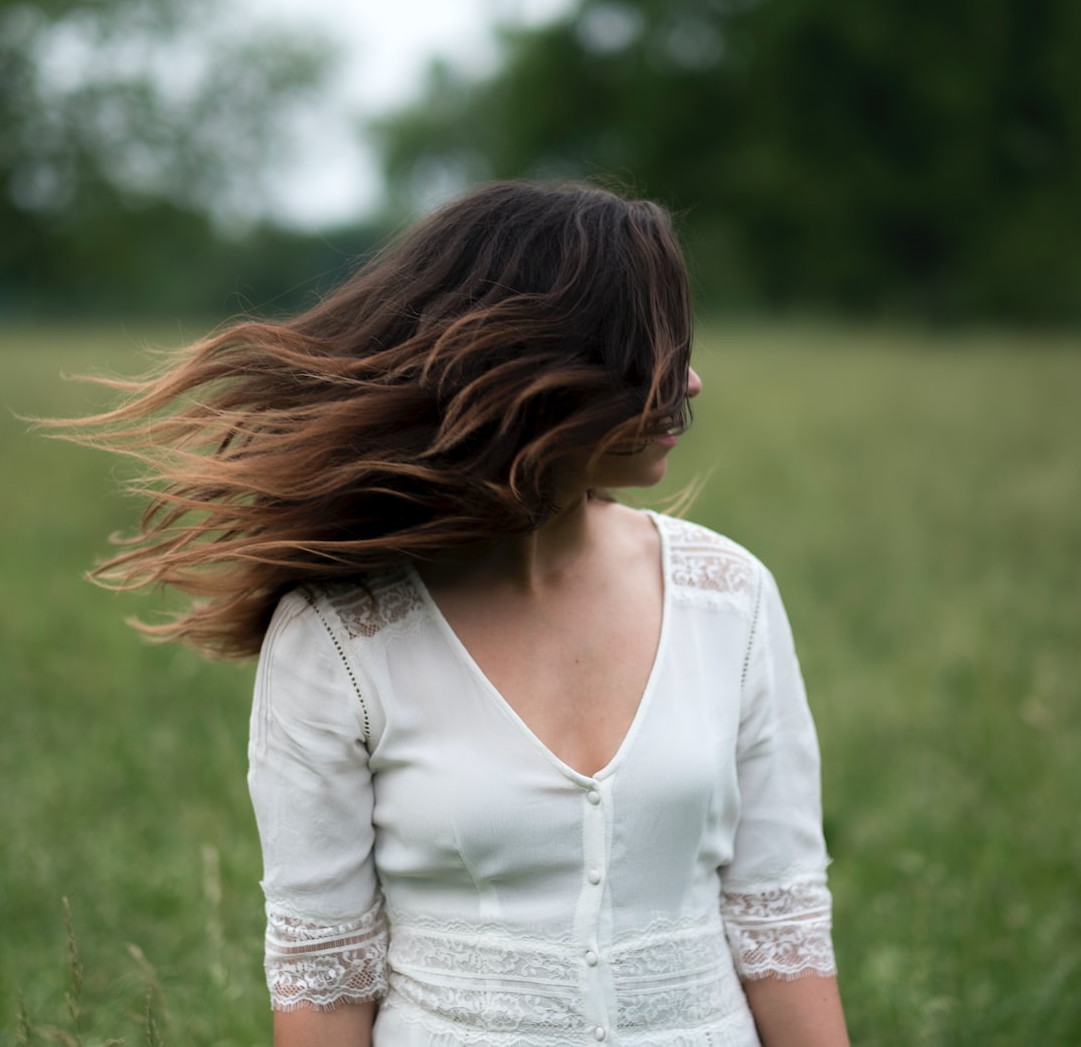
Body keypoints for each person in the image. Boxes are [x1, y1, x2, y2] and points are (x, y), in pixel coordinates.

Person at [59, 181, 850, 1045]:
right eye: (650, 344)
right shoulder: (339, 637)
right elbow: (326, 987)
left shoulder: (727, 596)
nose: (690, 377)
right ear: (545, 365)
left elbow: (783, 928)